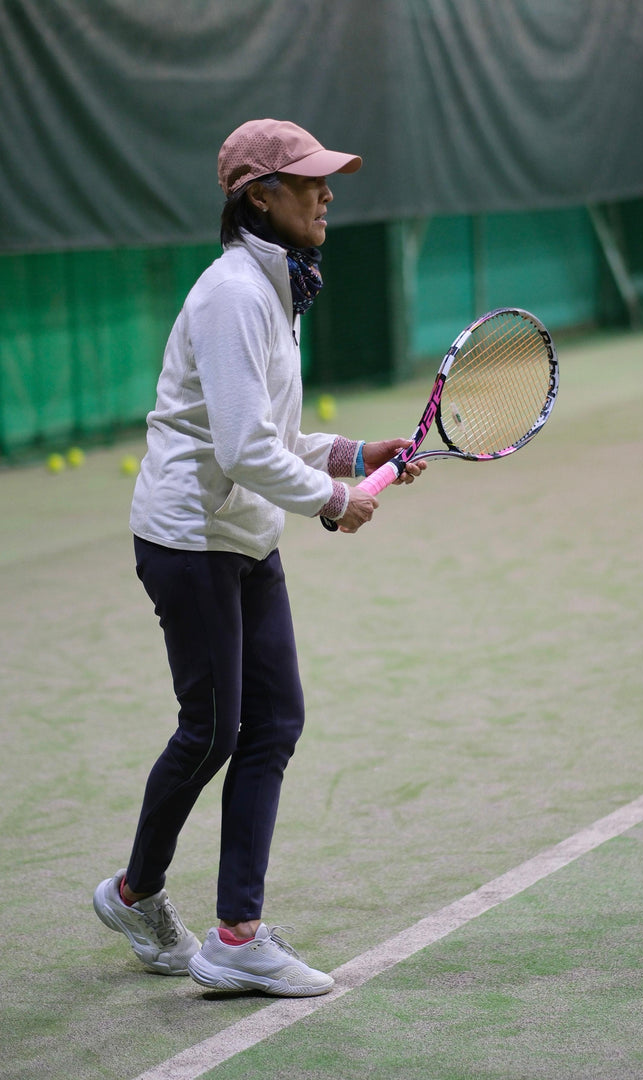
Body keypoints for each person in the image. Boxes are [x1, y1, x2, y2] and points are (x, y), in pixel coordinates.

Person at [93, 118, 425, 997]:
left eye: (326, 179)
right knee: (211, 731)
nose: (327, 193)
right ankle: (151, 900)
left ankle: (214, 925)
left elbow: (272, 435)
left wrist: (353, 455)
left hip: (242, 537)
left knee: (272, 721)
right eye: (309, 181)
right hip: (189, 538)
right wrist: (334, 501)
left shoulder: (279, 289)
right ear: (258, 198)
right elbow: (242, 451)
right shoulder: (234, 294)